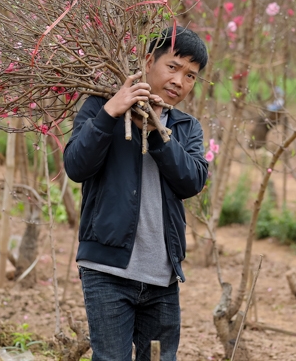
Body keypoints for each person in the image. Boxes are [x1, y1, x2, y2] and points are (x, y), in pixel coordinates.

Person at [64, 26, 209, 361]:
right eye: (172, 67)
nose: (179, 81)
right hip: (107, 272)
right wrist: (110, 113)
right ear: (148, 61)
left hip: (162, 277)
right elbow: (75, 166)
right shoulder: (101, 106)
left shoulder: (187, 128)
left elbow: (192, 181)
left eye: (190, 76)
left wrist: (157, 132)